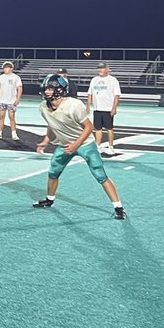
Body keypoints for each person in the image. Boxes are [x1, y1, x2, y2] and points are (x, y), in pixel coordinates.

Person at [32, 73, 126, 219]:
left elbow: (89, 127)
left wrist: (76, 145)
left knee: (100, 175)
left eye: (51, 88)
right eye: (46, 89)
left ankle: (119, 208)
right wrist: (46, 140)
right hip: (64, 145)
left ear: (61, 90)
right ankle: (49, 200)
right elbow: (52, 124)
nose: (47, 92)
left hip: (85, 144)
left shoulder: (74, 105)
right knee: (53, 173)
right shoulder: (43, 107)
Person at [86, 63, 122, 157]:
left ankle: (111, 147)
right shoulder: (94, 80)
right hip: (97, 108)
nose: (100, 70)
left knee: (109, 128)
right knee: (97, 128)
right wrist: (88, 106)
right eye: (99, 68)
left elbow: (116, 95)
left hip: (108, 108)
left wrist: (114, 108)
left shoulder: (113, 80)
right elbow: (90, 93)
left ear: (107, 69)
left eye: (102, 68)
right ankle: (98, 146)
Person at [0, 61, 23, 141]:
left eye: (7, 67)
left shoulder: (16, 77)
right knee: (1, 116)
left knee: (11, 117)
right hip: (2, 100)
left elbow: (19, 88)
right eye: (4, 68)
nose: (5, 69)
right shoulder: (0, 77)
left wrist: (18, 99)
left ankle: (14, 133)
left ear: (11, 68)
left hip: (11, 101)